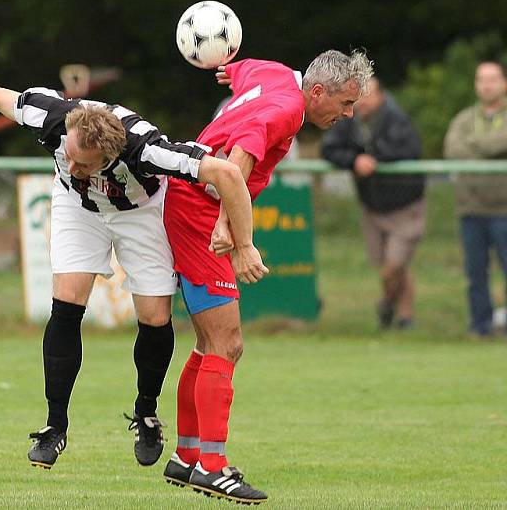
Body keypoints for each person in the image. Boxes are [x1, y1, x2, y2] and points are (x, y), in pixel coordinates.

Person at [0, 83, 262, 469]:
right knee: (67, 305)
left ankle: (146, 412)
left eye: (83, 164)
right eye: (68, 155)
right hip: (78, 207)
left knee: (155, 317)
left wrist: (245, 243)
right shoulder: (54, 117)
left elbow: (228, 174)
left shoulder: (148, 150)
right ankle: (55, 426)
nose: (71, 165)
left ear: (110, 155)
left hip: (140, 211)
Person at [161, 50, 374, 504]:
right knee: (228, 344)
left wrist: (227, 65)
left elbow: (243, 68)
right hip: (200, 210)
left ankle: (187, 457)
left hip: (191, 201)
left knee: (207, 344)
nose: (348, 114)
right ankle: (213, 468)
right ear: (316, 92)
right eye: (345, 104)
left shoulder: (274, 74)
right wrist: (234, 234)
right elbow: (240, 154)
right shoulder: (285, 110)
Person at [321, 77, 426, 329]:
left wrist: (373, 158)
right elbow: (330, 149)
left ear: (381, 96)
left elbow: (410, 150)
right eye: (360, 95)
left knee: (394, 266)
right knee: (393, 265)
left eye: (369, 95)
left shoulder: (395, 117)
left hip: (405, 204)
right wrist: (354, 161)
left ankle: (387, 304)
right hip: (373, 205)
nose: (363, 101)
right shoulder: (349, 118)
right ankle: (405, 317)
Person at [443, 61, 507, 337]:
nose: (487, 84)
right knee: (476, 274)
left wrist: (478, 145)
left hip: (505, 209)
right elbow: (453, 149)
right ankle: (481, 327)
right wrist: (492, 146)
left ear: (504, 82)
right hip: (471, 209)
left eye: (492, 79)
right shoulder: (464, 119)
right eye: (481, 79)